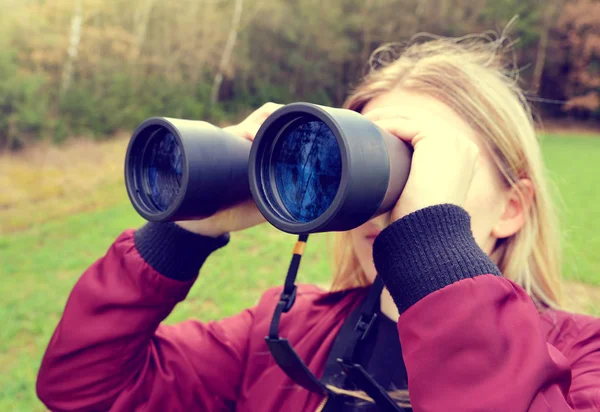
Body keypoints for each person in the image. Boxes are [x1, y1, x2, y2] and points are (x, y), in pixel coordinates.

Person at [36, 33, 600, 412]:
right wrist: (185, 231)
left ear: (513, 207)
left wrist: (433, 253)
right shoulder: (288, 333)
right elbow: (87, 389)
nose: (385, 201)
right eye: (371, 163)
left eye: (417, 161)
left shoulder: (582, 362)